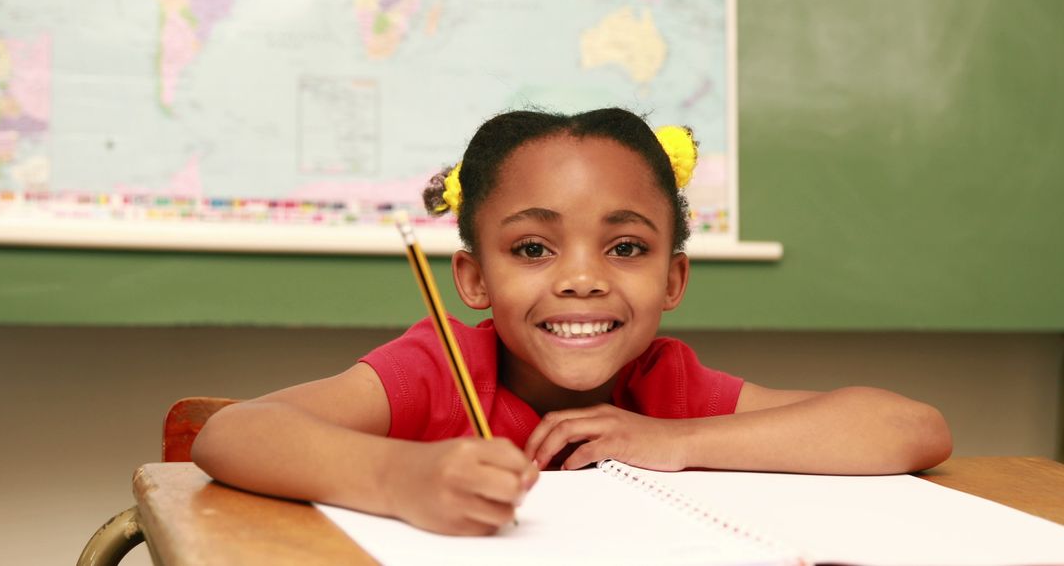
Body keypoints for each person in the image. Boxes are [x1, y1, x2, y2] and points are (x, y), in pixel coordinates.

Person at [192, 107, 952, 536]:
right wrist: (400, 478)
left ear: (674, 277)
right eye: (532, 248)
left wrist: (676, 439)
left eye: (626, 247)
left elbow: (909, 428)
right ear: (475, 278)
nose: (584, 279)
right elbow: (231, 433)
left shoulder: (665, 386)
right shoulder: (437, 367)